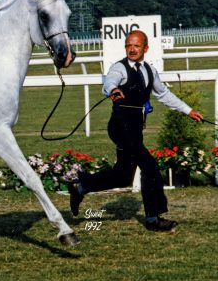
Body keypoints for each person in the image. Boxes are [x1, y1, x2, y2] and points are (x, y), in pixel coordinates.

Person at [67, 30, 204, 232]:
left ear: (145, 48)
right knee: (149, 166)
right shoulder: (119, 68)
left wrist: (188, 110)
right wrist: (113, 90)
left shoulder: (149, 70)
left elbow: (163, 94)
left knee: (122, 176)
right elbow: (110, 82)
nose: (132, 49)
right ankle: (153, 219)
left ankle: (81, 186)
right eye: (129, 45)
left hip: (135, 128)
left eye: (136, 46)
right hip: (120, 127)